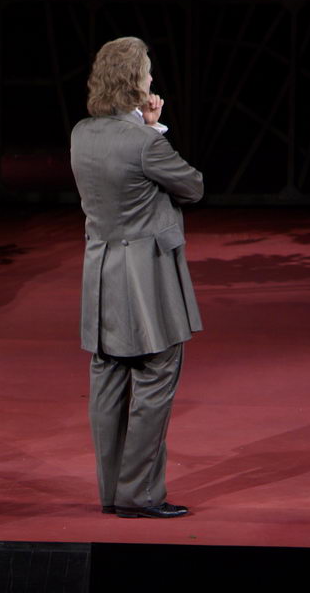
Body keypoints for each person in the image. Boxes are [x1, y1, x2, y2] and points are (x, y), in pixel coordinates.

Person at [69, 37, 203, 519]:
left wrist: (142, 127)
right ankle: (139, 494)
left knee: (108, 376)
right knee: (156, 371)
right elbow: (192, 186)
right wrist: (153, 129)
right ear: (134, 83)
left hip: (101, 275)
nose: (151, 80)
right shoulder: (146, 144)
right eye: (146, 73)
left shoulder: (81, 134)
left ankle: (112, 492)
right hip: (146, 279)